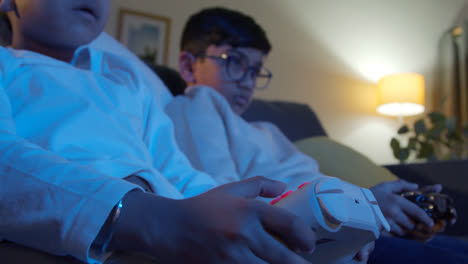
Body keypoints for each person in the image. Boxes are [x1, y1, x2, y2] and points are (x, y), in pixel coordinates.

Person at [0, 1, 318, 263]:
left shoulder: (124, 78)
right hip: (84, 235)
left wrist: (258, 218)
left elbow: (177, 170)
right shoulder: (6, 65)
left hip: (173, 230)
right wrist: (145, 217)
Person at [165, 7, 468, 264]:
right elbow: (222, 206)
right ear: (189, 65)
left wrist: (381, 215)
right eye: (234, 62)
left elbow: (310, 183)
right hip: (316, 239)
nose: (247, 82)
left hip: (345, 227)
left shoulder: (266, 131)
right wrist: (365, 206)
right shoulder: (197, 104)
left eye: (255, 70)